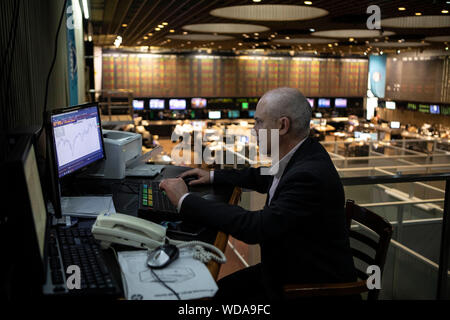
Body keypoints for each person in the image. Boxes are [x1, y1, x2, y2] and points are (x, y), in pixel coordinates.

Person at [159, 87, 357, 300]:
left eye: (259, 122)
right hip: (285, 267)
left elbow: (256, 227)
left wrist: (185, 200)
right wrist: (213, 176)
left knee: (204, 299)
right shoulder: (303, 153)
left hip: (304, 286)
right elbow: (260, 177)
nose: (253, 130)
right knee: (211, 293)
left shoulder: (309, 175)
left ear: (282, 126)